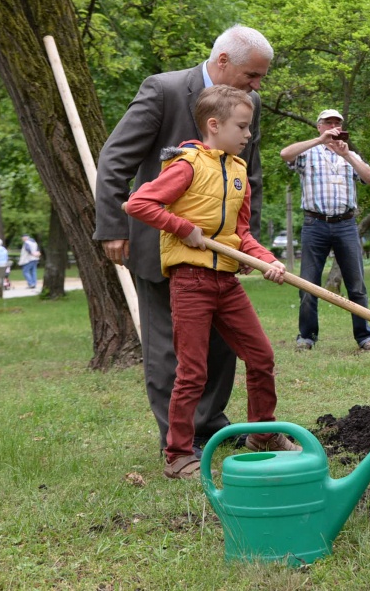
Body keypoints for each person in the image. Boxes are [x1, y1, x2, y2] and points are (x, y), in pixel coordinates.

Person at [94, 25, 273, 453]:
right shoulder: (164, 90)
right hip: (163, 247)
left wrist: (246, 241)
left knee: (221, 348)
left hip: (221, 251)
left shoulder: (251, 104)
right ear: (224, 60)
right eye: (252, 75)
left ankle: (210, 427)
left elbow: (252, 177)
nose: (257, 85)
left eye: (261, 78)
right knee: (169, 352)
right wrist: (114, 229)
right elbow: (116, 158)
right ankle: (179, 441)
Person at [126, 85, 297, 479]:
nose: (248, 134)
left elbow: (242, 234)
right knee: (192, 372)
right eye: (242, 126)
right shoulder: (186, 165)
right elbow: (139, 203)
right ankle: (178, 454)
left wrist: (267, 259)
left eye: (249, 126)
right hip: (190, 282)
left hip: (226, 282)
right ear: (214, 125)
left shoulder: (239, 172)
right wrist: (182, 227)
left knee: (261, 356)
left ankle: (263, 434)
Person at [280, 108, 370, 353]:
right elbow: (285, 154)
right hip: (315, 225)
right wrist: (320, 141)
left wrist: (348, 156)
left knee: (356, 285)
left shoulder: (351, 155)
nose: (333, 126)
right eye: (328, 123)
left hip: (346, 225)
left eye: (337, 123)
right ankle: (307, 336)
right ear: (319, 126)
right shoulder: (309, 153)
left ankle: (365, 337)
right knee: (308, 283)